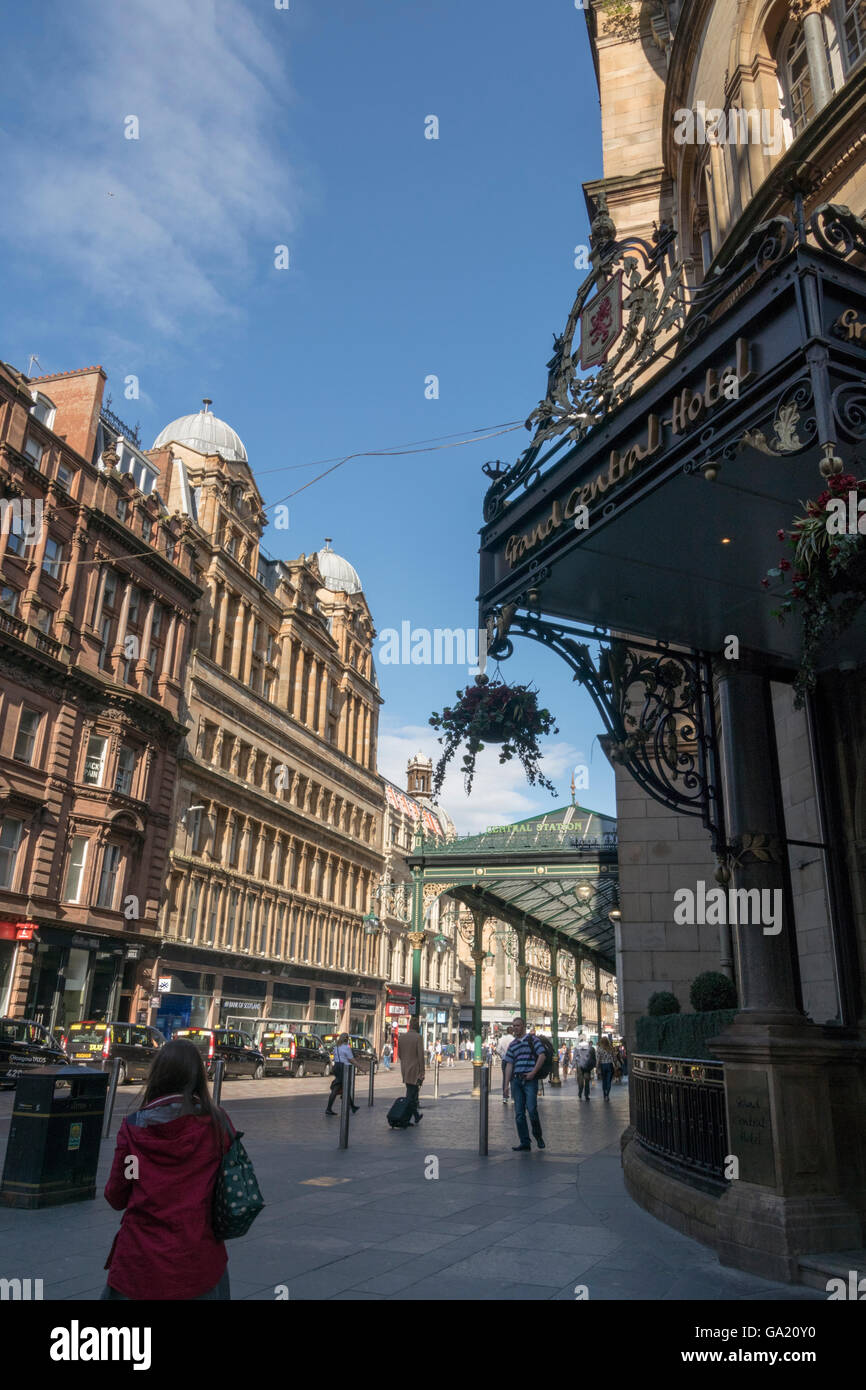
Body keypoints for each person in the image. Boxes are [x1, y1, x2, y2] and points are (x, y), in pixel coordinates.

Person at [101, 1038, 232, 1300]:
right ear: (197, 1077)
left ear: (158, 1073)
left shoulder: (134, 1128)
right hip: (200, 1258)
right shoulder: (218, 1124)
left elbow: (117, 1194)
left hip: (140, 1259)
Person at [502, 1016, 545, 1152]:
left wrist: (533, 1072)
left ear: (523, 1026)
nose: (515, 1028)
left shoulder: (533, 1040)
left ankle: (538, 1136)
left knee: (532, 1110)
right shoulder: (513, 1044)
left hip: (530, 1080)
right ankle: (525, 1142)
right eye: (514, 1026)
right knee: (519, 1113)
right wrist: (506, 1085)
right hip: (516, 1081)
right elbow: (509, 1064)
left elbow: (542, 1055)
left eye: (518, 1025)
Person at [325, 1033, 359, 1116]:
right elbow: (351, 1059)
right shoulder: (347, 1048)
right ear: (347, 1039)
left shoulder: (336, 1047)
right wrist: (360, 1066)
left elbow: (335, 1057)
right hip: (344, 1068)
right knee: (338, 1088)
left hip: (337, 1067)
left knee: (343, 1087)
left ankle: (352, 1106)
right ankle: (329, 1108)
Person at [399, 1018, 425, 1124]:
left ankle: (415, 1116)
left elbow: (400, 1055)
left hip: (405, 1069)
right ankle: (403, 1117)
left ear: (409, 1025)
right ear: (417, 1026)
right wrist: (422, 1071)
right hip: (415, 1070)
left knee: (412, 1093)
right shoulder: (418, 1037)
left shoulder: (402, 1037)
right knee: (410, 1095)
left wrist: (405, 1062)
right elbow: (420, 1056)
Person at [576, 1036, 596, 1100]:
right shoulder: (591, 1048)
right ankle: (585, 1094)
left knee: (582, 1081)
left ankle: (582, 1093)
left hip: (582, 1067)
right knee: (586, 1081)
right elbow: (594, 1058)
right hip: (586, 1067)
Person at [496, 1027, 513, 1102]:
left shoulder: (502, 1039)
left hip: (504, 1060)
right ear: (512, 1032)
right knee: (513, 1079)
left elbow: (498, 1050)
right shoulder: (514, 1040)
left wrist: (503, 1055)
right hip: (512, 1061)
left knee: (505, 1078)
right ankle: (513, 1097)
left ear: (506, 1031)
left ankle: (505, 1097)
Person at [597, 1035, 616, 1100]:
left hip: (603, 1065)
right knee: (609, 1081)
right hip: (610, 1065)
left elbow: (598, 1058)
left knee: (604, 1080)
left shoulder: (599, 1048)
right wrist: (615, 1064)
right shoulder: (610, 1048)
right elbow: (614, 1058)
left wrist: (597, 1067)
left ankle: (604, 1093)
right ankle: (607, 1094)